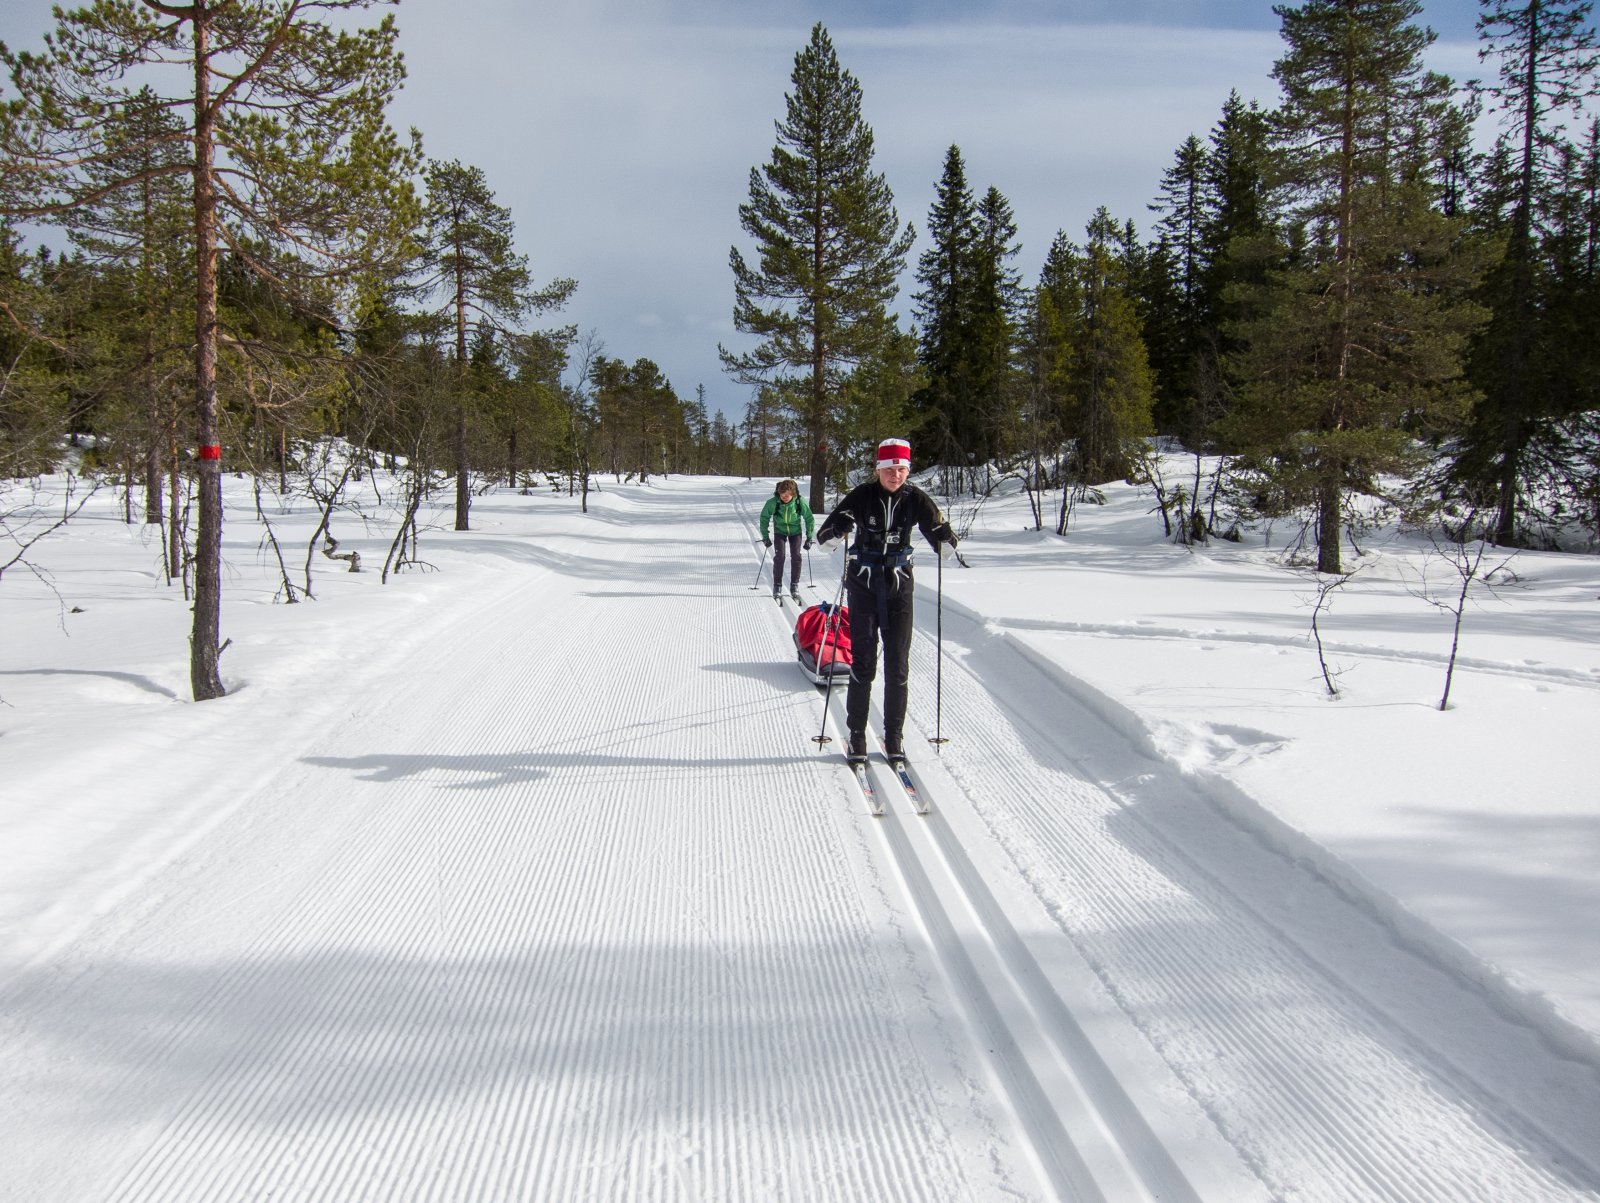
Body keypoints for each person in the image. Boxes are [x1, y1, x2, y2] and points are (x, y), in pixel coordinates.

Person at [814, 438, 958, 767]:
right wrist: (839, 529)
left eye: (902, 469)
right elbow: (822, 541)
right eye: (890, 468)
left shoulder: (915, 498)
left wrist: (943, 537)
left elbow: (947, 545)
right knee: (863, 663)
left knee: (898, 665)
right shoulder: (862, 496)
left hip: (899, 587)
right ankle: (857, 735)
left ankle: (894, 736)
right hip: (863, 585)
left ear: (908, 470)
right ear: (879, 469)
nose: (896, 475)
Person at [759, 478, 815, 603]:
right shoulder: (773, 502)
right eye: (781, 495)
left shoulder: (800, 502)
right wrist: (765, 537)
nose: (783, 497)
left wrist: (809, 537)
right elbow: (764, 518)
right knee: (780, 556)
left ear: (793, 494)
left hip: (795, 532)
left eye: (786, 496)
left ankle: (794, 585)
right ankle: (777, 586)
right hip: (780, 531)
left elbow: (809, 519)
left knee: (796, 556)